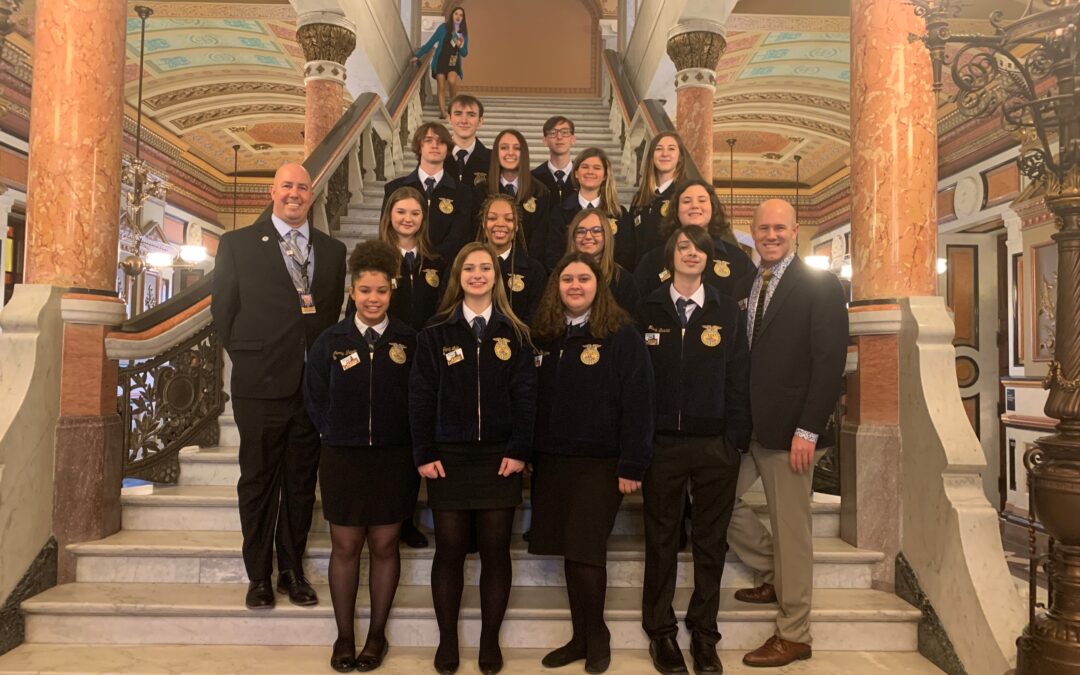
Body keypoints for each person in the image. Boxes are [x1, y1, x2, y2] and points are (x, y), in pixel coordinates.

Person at [211, 162, 347, 610]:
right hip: (260, 384)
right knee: (258, 480)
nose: (294, 193)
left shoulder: (332, 250)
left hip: (310, 389)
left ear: (312, 195)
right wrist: (250, 356)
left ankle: (292, 570)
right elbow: (223, 312)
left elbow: (326, 320)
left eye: (302, 187)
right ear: (272, 191)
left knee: (302, 482)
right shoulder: (237, 244)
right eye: (286, 185)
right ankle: (259, 575)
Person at [725, 199, 849, 667]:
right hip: (750, 427)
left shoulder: (820, 286)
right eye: (763, 229)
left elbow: (829, 363)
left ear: (795, 230)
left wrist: (808, 429)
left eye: (779, 228)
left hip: (793, 432)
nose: (771, 235)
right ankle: (776, 572)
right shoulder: (747, 283)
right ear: (751, 232)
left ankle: (794, 633)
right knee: (714, 502)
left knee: (793, 531)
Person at [409, 242, 537, 675]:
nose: (478, 274)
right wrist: (424, 452)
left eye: (485, 268)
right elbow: (421, 397)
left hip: (500, 459)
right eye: (470, 268)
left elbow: (526, 396)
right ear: (458, 276)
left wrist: (520, 449)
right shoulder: (435, 332)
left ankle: (488, 641)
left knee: (496, 552)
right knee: (449, 550)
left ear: (496, 277)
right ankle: (447, 641)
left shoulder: (514, 332)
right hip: (448, 458)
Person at [528, 252, 654, 674]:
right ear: (556, 287)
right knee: (570, 550)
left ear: (599, 286)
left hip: (601, 463)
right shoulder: (544, 335)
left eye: (584, 278)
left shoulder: (622, 336)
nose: (576, 286)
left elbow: (639, 404)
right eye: (567, 279)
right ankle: (579, 636)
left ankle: (597, 635)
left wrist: (633, 464)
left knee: (586, 550)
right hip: (553, 461)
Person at [636, 226, 751, 675]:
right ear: (672, 256)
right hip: (661, 445)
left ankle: (704, 633)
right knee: (661, 541)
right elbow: (636, 382)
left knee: (710, 544)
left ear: (708, 259)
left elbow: (739, 376)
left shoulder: (726, 311)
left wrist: (736, 438)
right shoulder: (647, 308)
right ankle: (660, 632)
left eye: (699, 249)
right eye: (683, 247)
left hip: (714, 445)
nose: (691, 254)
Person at [304, 241, 418, 672]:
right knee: (346, 545)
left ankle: (376, 637)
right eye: (365, 291)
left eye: (381, 291)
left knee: (386, 543)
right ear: (353, 291)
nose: (373, 299)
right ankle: (345, 637)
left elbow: (420, 397)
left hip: (393, 458)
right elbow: (314, 395)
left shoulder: (409, 339)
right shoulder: (329, 340)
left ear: (392, 291)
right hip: (342, 457)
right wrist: (332, 430)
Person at [634, 179, 754, 300]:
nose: (695, 206)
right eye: (686, 201)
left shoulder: (739, 261)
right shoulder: (653, 261)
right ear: (676, 209)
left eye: (702, 200)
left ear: (713, 207)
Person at [384, 122, 473, 263]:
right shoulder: (394, 189)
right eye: (428, 140)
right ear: (419, 146)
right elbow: (386, 233)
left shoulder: (463, 193)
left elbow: (459, 237)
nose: (435, 146)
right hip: (402, 265)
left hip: (445, 268)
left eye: (441, 142)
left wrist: (431, 260)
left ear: (448, 149)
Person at [479, 128, 557, 257]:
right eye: (504, 148)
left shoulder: (540, 192)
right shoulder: (481, 190)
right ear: (496, 153)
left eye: (517, 148)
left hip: (528, 268)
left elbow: (541, 239)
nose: (510, 153)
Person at [546, 147, 627, 269]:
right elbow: (554, 254)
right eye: (585, 167)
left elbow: (625, 255)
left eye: (597, 168)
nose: (590, 172)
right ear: (576, 173)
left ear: (605, 175)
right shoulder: (559, 213)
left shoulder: (619, 214)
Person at [619, 132, 690, 271]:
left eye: (671, 149)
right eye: (658, 149)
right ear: (651, 156)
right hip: (640, 278)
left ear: (680, 157)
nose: (664, 154)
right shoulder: (640, 198)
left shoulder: (685, 195)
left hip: (671, 278)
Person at [476, 193, 547, 323]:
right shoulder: (463, 265)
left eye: (509, 219)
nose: (500, 224)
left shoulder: (534, 271)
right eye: (492, 218)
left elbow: (536, 320)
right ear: (483, 224)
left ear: (517, 226)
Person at [564, 208, 639, 312]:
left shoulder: (623, 281)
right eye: (581, 231)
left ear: (606, 235)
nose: (588, 236)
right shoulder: (560, 275)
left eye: (596, 231)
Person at [412, 6, 468, 119]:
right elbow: (430, 42)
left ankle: (454, 108)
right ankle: (443, 112)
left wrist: (460, 46)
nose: (458, 16)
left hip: (453, 61)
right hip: (441, 60)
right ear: (452, 15)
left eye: (461, 15)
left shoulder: (463, 33)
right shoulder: (443, 28)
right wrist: (417, 56)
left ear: (463, 18)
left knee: (452, 81)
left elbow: (464, 53)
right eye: (456, 14)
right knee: (441, 86)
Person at [444, 94, 491, 191]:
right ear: (449, 118)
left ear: (480, 121)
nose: (464, 120)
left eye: (471, 115)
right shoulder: (435, 156)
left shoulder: (493, 159)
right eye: (458, 114)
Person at [532, 116, 577, 205]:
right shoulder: (533, 178)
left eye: (565, 132)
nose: (559, 137)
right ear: (545, 141)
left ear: (573, 139)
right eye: (553, 133)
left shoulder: (583, 175)